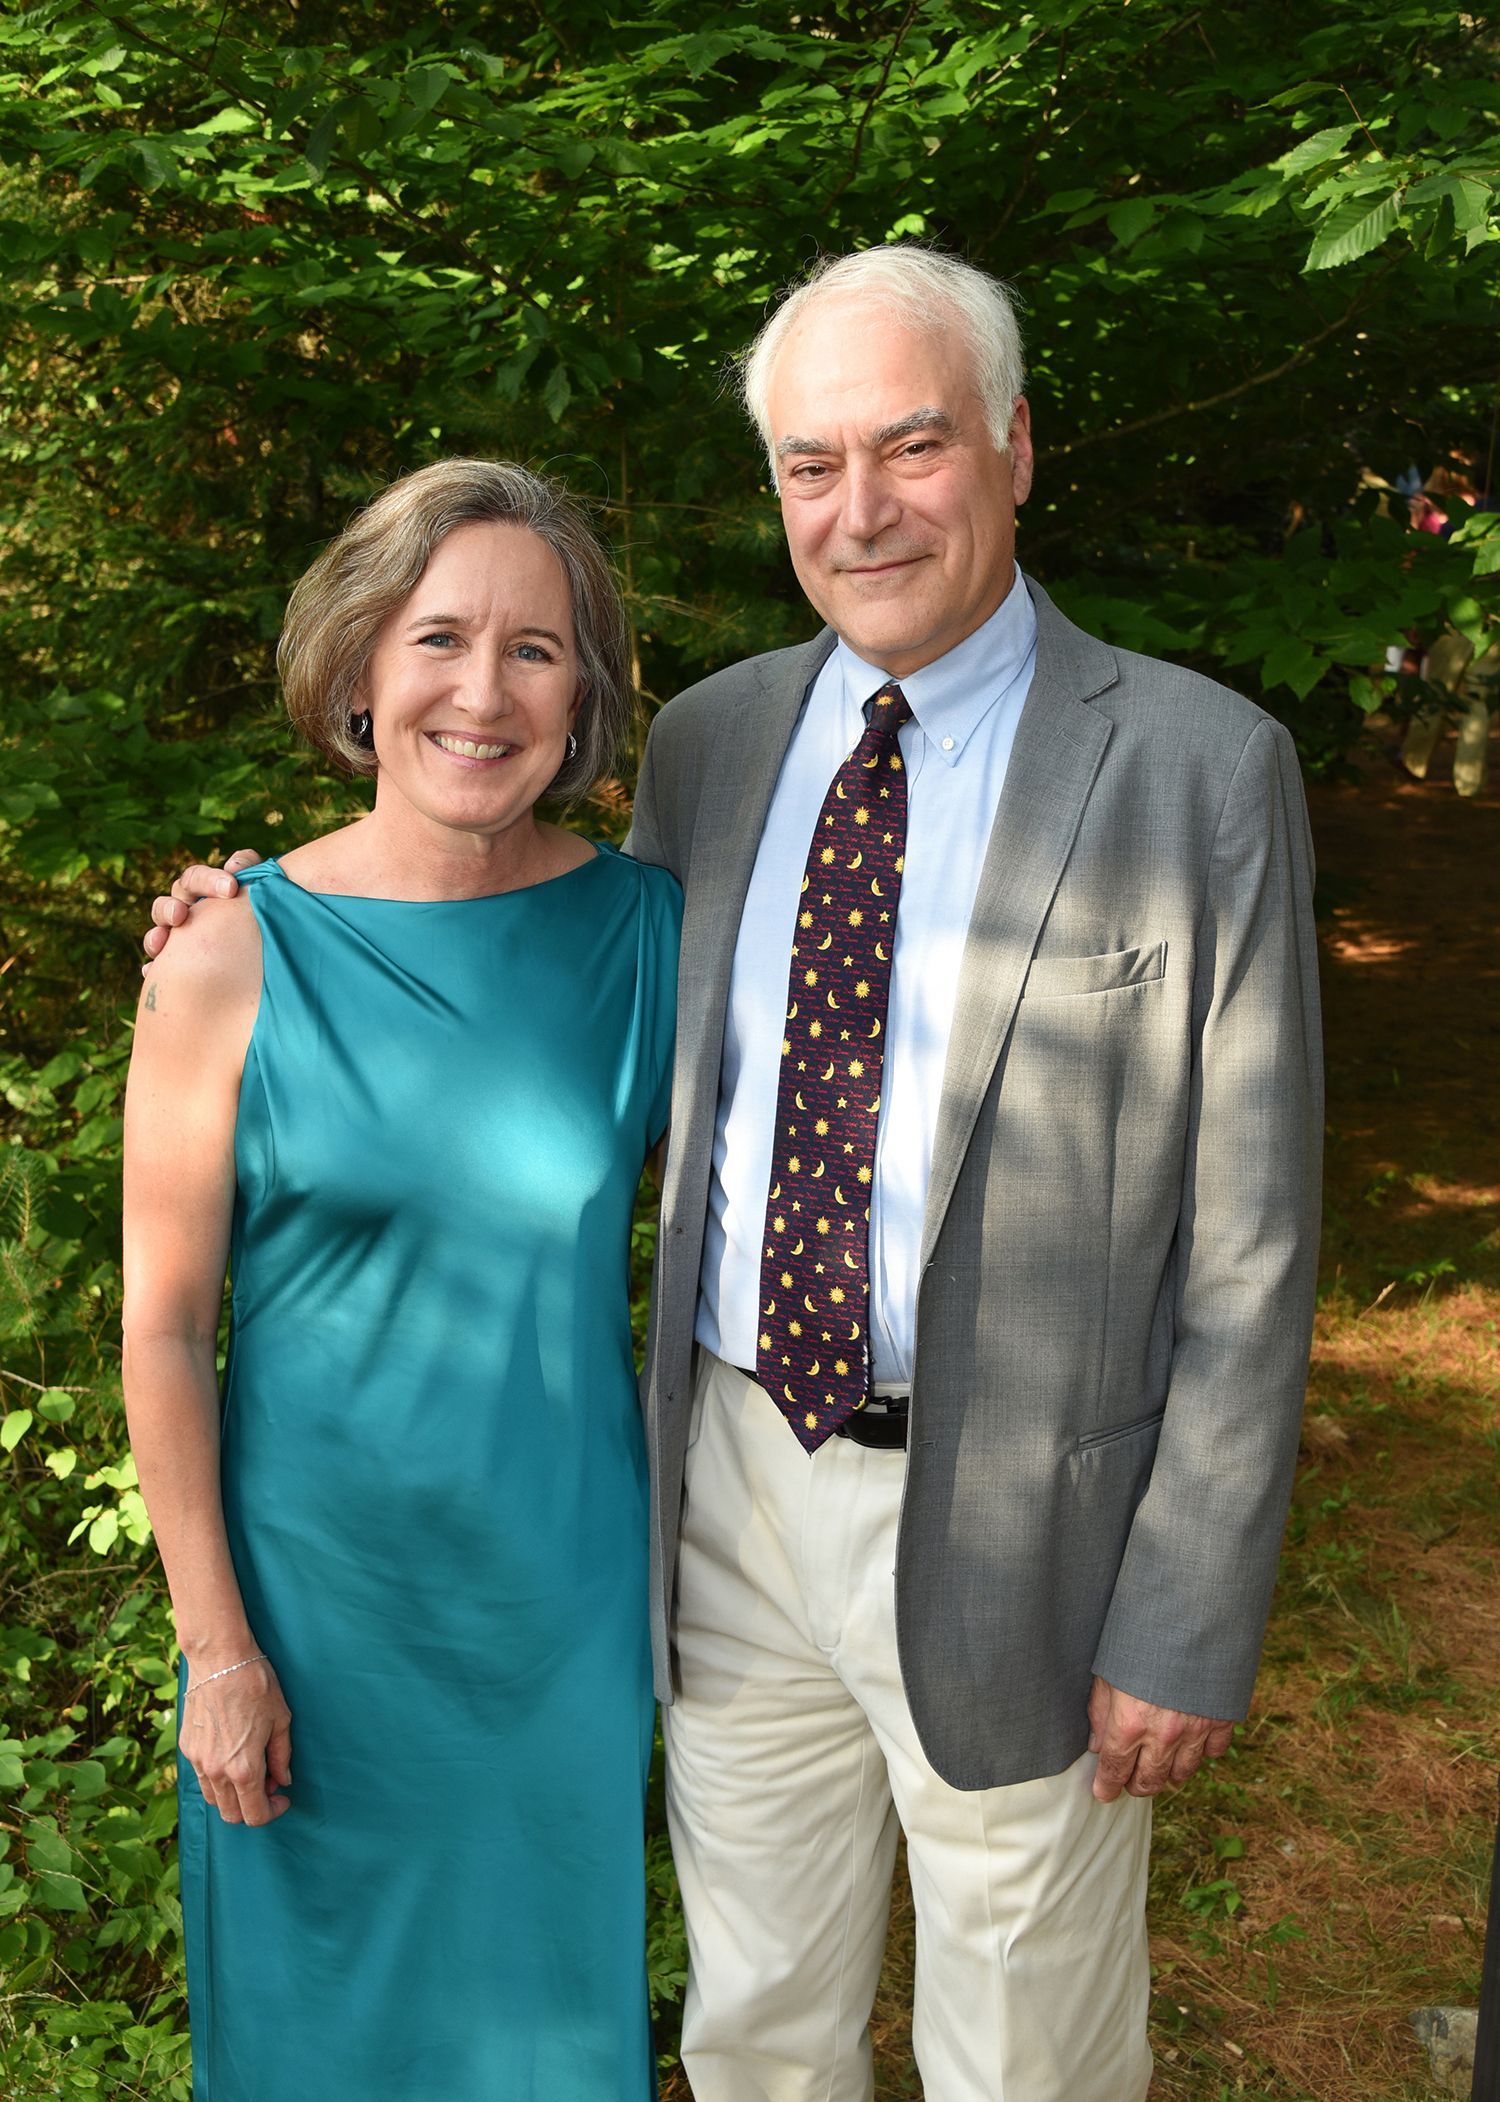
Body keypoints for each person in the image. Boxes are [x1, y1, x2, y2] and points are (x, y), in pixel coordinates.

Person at [147, 245, 1323, 2102]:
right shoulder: (717, 742)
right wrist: (237, 920)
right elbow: (483, 966)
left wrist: (1185, 1611)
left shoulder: (1196, 766)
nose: (860, 511)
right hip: (721, 1498)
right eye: (808, 462)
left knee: (1024, 2044)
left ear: (1014, 446)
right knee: (757, 2027)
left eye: (912, 446)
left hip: (1021, 1516)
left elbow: (1253, 1247)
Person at [123, 459, 680, 2100]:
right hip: (307, 1621)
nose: (481, 690)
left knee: (549, 2048)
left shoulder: (652, 934)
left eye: (538, 648)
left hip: (555, 1620)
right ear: (363, 663)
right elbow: (161, 1326)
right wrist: (214, 1649)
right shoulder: (234, 947)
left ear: (582, 697)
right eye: (441, 636)